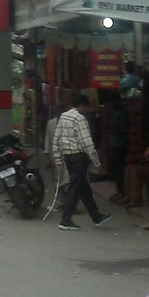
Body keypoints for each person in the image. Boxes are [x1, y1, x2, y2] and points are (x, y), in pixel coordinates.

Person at [52, 93, 111, 231]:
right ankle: (65, 219)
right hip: (79, 156)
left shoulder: (64, 116)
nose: (86, 110)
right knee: (74, 188)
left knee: (83, 188)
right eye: (86, 107)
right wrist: (96, 161)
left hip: (68, 156)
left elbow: (57, 138)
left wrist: (57, 157)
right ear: (82, 105)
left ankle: (96, 216)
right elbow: (87, 142)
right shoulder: (80, 119)